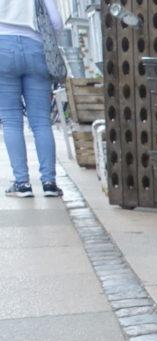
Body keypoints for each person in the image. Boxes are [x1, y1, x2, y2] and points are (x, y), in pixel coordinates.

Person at [0, 0, 63, 198]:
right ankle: (49, 182)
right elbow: (56, 21)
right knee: (41, 121)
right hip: (36, 47)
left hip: (2, 46)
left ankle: (22, 183)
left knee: (11, 120)